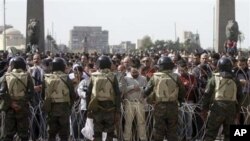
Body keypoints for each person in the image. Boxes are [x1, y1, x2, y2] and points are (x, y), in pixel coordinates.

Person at [201, 57, 244, 141]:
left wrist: (204, 109)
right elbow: (240, 96)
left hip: (217, 108)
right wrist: (237, 110)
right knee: (229, 135)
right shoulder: (235, 79)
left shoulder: (214, 78)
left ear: (219, 66)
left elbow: (207, 94)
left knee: (210, 133)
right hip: (231, 109)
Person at [144, 56, 185, 141]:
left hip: (159, 107)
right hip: (173, 106)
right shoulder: (176, 77)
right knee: (172, 130)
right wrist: (180, 100)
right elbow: (182, 91)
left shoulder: (155, 77)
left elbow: (146, 91)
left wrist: (151, 96)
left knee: (158, 130)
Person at [87, 55, 121, 141]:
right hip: (110, 108)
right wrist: (118, 110)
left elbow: (88, 93)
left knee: (97, 132)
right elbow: (117, 94)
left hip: (96, 107)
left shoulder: (93, 76)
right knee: (110, 133)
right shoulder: (113, 76)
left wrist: (89, 109)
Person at [0, 56, 34, 141]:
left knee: (8, 134)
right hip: (22, 109)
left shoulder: (6, 76)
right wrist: (21, 103)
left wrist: (11, 103)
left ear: (12, 65)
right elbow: (31, 93)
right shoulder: (27, 76)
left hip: (10, 109)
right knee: (24, 135)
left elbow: (2, 92)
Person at [44, 57, 76, 141]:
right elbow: (73, 95)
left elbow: (42, 95)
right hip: (64, 109)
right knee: (64, 135)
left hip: (51, 110)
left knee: (51, 134)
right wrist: (69, 106)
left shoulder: (47, 78)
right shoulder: (67, 78)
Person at [123, 65, 147, 141]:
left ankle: (143, 139)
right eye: (133, 72)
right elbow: (123, 90)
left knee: (141, 123)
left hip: (140, 103)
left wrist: (140, 88)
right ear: (130, 71)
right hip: (129, 103)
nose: (135, 73)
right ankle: (127, 139)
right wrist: (132, 87)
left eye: (136, 72)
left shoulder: (143, 78)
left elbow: (147, 89)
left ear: (139, 71)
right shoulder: (126, 78)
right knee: (128, 123)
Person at [28, 53, 45, 140]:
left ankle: (41, 136)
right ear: (32, 60)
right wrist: (33, 88)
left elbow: (47, 82)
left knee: (41, 118)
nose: (36, 60)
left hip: (42, 97)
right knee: (33, 118)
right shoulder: (29, 71)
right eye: (34, 59)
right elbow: (26, 84)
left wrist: (41, 87)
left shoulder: (44, 70)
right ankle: (33, 137)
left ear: (40, 60)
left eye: (38, 59)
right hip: (33, 98)